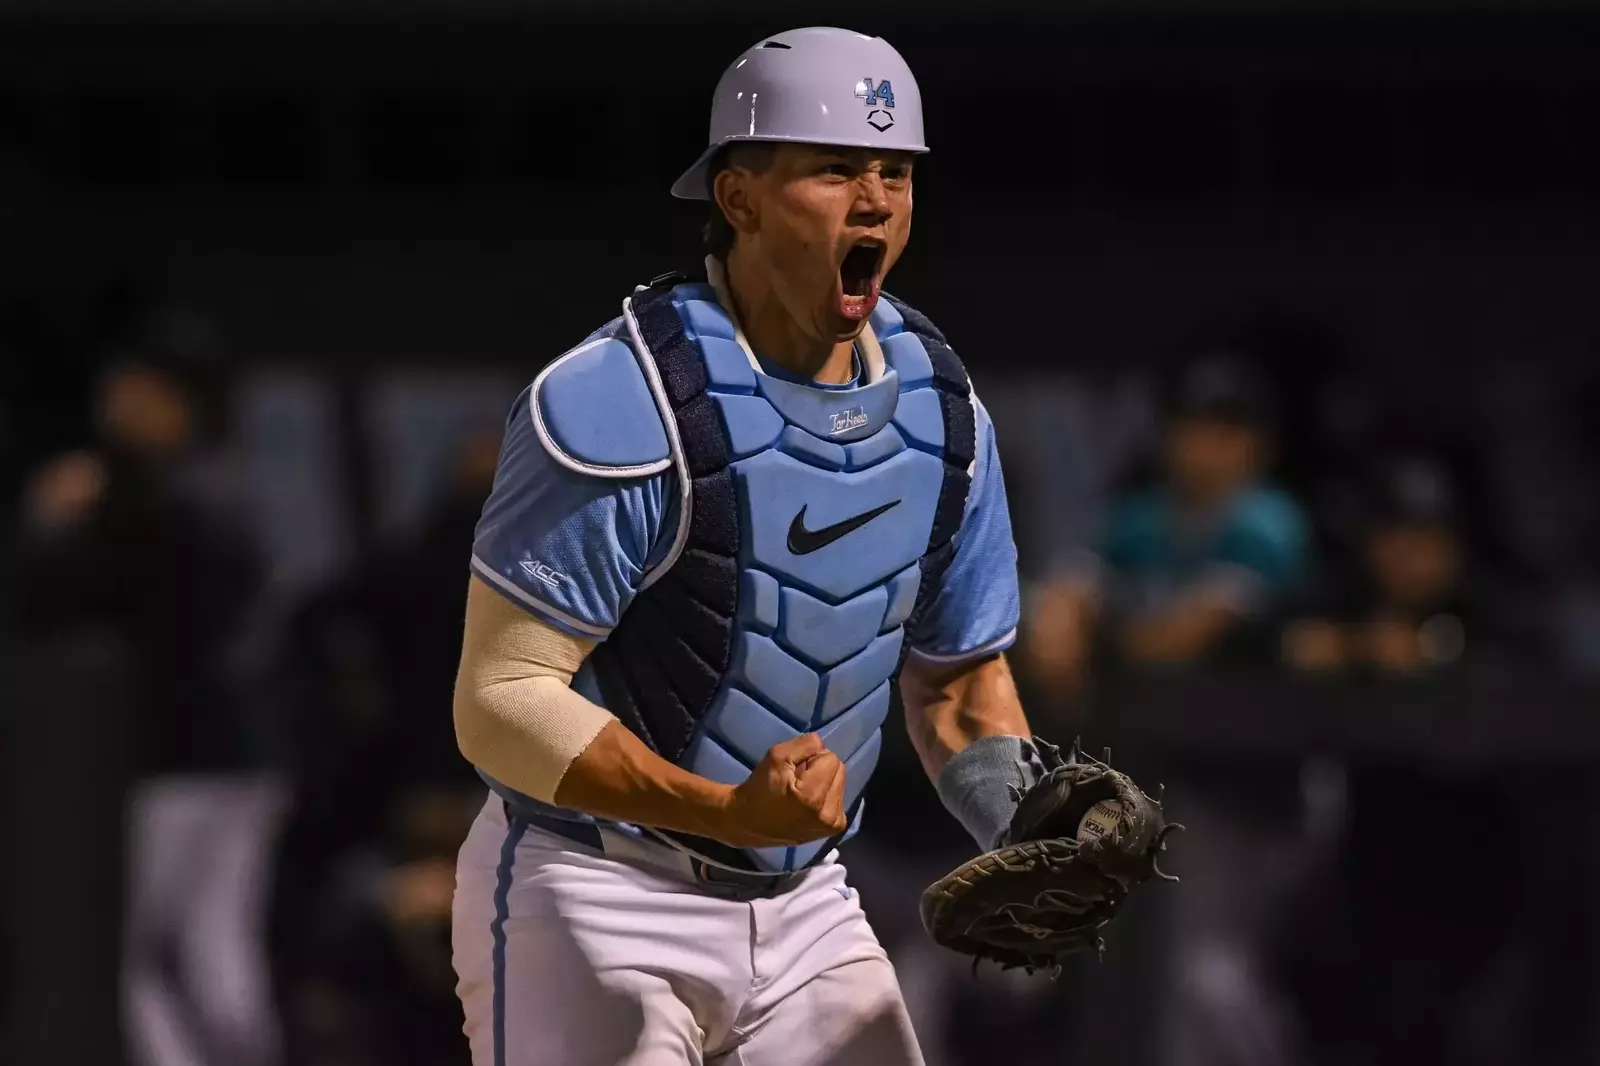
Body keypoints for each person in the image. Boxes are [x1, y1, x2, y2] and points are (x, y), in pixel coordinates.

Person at [450, 27, 1040, 1066]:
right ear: (739, 197)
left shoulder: (941, 413)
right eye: (834, 168)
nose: (874, 202)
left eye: (894, 173)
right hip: (600, 888)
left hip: (808, 899)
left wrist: (1030, 828)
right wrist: (722, 807)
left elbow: (955, 682)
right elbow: (500, 702)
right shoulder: (619, 400)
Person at [1025, 355, 1309, 686]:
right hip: (1153, 716)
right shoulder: (1141, 518)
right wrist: (1063, 614)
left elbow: (1181, 638)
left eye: (1225, 433)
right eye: (1192, 429)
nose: (1205, 449)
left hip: (1257, 713)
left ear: (1260, 444)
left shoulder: (1269, 523)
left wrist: (1103, 642)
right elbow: (1081, 580)